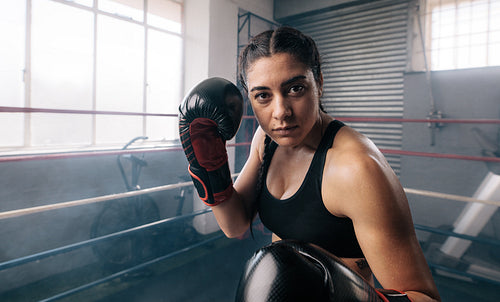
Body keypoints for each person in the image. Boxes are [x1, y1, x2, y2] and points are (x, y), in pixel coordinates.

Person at [179, 26, 440, 302]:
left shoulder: (356, 169)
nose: (281, 112)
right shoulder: (266, 141)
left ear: (319, 83)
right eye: (263, 95)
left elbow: (424, 298)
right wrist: (207, 164)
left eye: (295, 88)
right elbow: (235, 225)